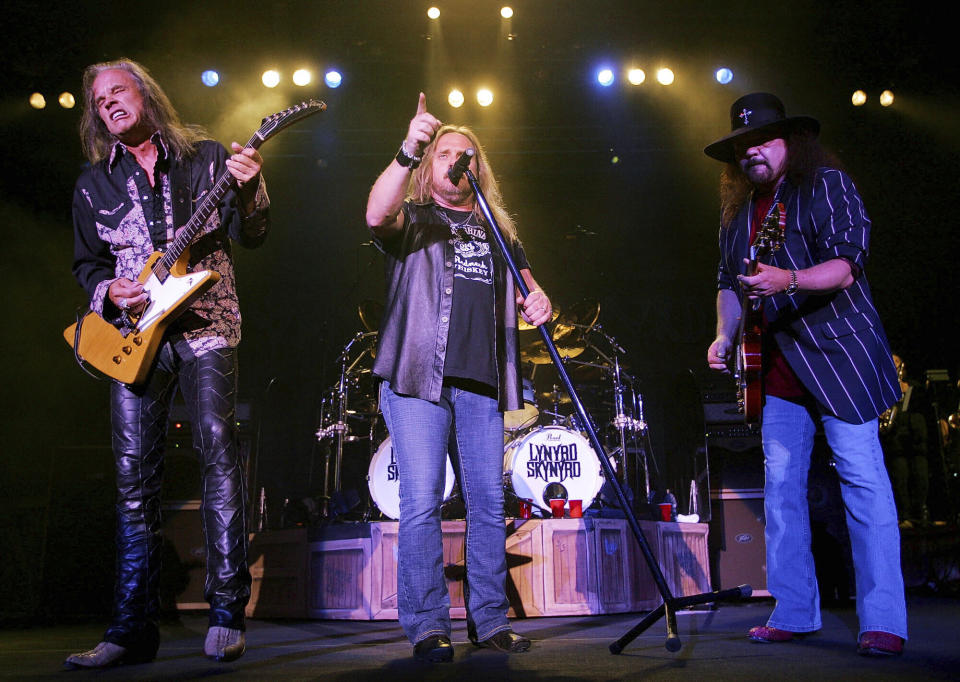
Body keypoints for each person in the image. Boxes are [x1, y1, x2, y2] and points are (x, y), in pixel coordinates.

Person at [65, 59, 270, 668]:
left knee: (216, 446)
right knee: (133, 478)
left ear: (146, 95)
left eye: (117, 93)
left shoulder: (206, 158)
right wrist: (110, 292)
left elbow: (251, 232)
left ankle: (228, 613)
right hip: (134, 333)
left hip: (208, 320)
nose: (108, 106)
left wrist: (252, 184)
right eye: (99, 102)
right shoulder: (91, 184)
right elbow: (87, 265)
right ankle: (131, 631)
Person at [704, 93, 906, 656]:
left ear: (789, 142)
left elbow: (846, 267)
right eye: (743, 147)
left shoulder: (827, 187)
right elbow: (727, 281)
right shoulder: (739, 214)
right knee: (781, 492)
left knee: (863, 484)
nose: (752, 153)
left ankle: (884, 619)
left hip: (839, 358)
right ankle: (794, 609)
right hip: (777, 368)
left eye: (762, 141)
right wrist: (724, 334)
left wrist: (786, 281)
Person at [365, 93, 552, 662]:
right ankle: (427, 625)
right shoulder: (415, 218)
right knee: (422, 499)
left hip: (482, 379)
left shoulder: (498, 230)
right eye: (444, 152)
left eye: (464, 153)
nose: (454, 159)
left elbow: (529, 288)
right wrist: (408, 148)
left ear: (478, 166)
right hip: (416, 375)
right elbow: (375, 214)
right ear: (430, 163)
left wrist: (538, 298)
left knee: (487, 503)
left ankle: (489, 619)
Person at [880, 354, 930, 528]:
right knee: (900, 479)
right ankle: (905, 515)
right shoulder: (883, 386)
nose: (894, 363)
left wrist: (906, 388)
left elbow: (923, 400)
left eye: (896, 361)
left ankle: (919, 515)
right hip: (896, 440)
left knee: (920, 477)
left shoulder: (913, 387)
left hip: (916, 439)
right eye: (890, 360)